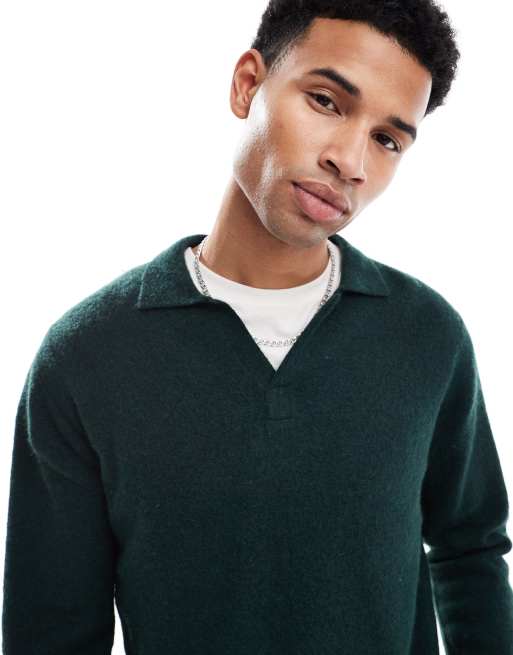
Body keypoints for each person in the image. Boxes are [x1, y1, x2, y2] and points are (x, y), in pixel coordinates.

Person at [3, 1, 513, 653]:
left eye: (387, 139)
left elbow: (470, 550)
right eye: (326, 101)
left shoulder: (427, 338)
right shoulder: (86, 357)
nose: (350, 161)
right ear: (248, 85)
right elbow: (50, 629)